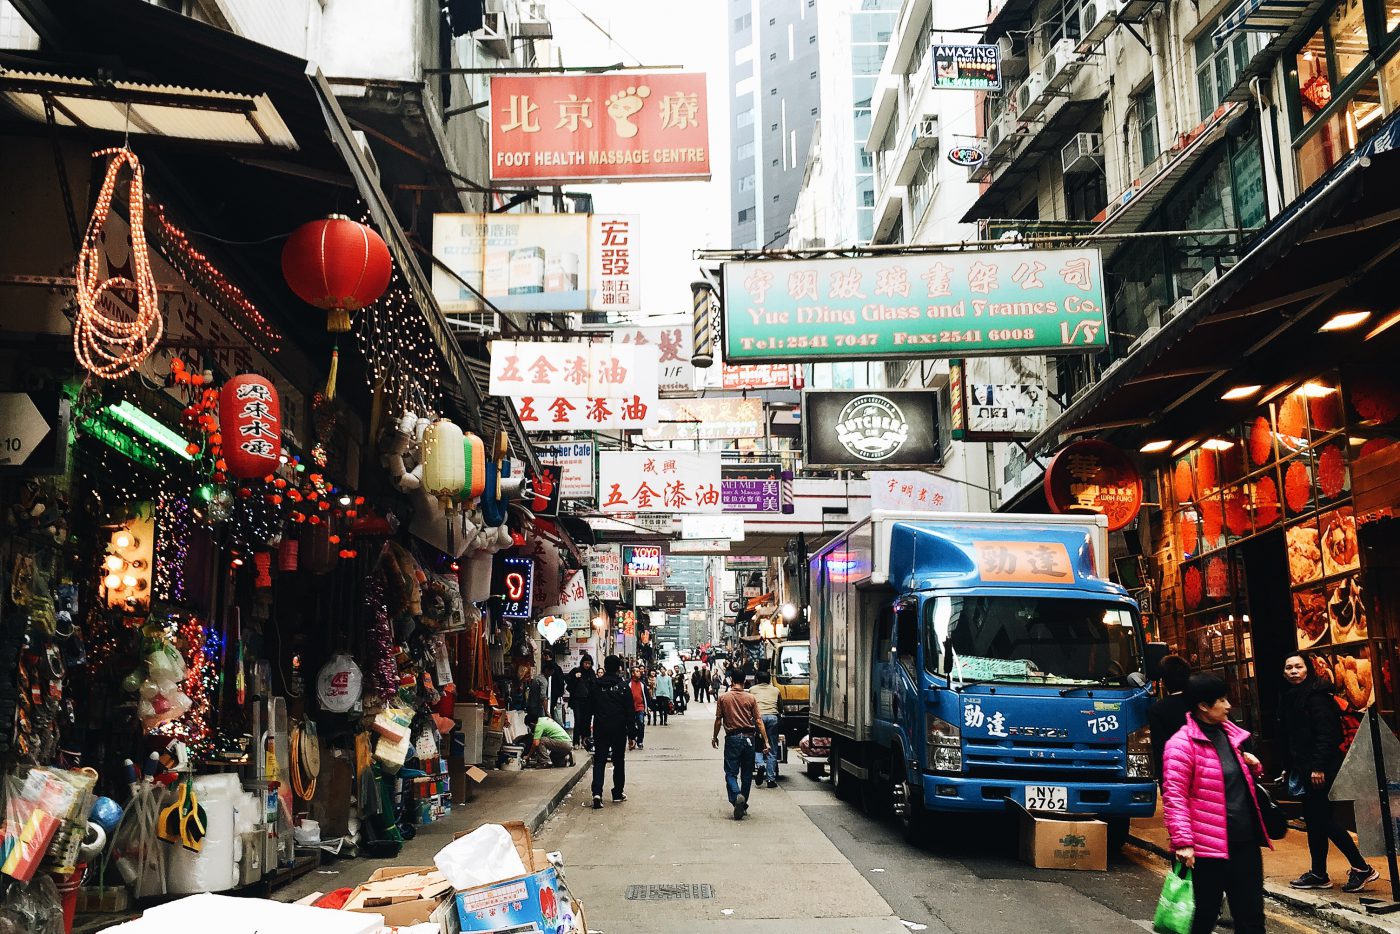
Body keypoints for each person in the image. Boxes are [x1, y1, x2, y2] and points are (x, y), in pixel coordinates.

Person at [1162, 674, 1270, 934]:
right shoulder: (1181, 745)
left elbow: (1233, 782)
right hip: (1206, 849)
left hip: (1245, 842)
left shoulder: (1233, 736)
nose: (1228, 705)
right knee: (1203, 916)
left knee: (1251, 916)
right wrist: (1184, 842)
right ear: (1203, 706)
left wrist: (1253, 767)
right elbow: (1174, 795)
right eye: (1221, 700)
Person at [1278, 654, 1378, 892]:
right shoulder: (1292, 697)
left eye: (1298, 667)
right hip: (1304, 768)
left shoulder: (1316, 698)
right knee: (1314, 822)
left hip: (1320, 770)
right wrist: (1288, 767)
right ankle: (1319, 874)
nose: (1293, 671)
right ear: (1284, 673)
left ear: (1307, 670)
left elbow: (1327, 734)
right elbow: (1293, 738)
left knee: (1322, 820)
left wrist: (1318, 767)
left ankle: (1362, 868)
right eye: (1289, 667)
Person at [712, 669, 768, 819]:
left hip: (732, 738)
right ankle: (742, 803)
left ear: (731, 680)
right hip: (750, 739)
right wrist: (766, 742)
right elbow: (758, 721)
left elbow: (718, 720)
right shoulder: (751, 698)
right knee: (747, 774)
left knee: (731, 773)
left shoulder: (723, 698)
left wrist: (714, 737)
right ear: (744, 681)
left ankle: (737, 796)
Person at [590, 655, 630, 808]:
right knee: (618, 761)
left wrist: (586, 730)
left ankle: (597, 793)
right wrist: (632, 733)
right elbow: (629, 711)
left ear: (605, 667)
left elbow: (589, 708)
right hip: (619, 729)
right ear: (619, 668)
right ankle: (617, 793)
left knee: (599, 760)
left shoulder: (596, 685)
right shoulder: (623, 686)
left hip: (601, 727)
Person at [1149, 655, 1193, 782]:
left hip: (1177, 773)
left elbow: (1159, 750)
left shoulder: (1158, 710)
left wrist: (1164, 784)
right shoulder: (1200, 702)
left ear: (1164, 682)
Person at [749, 668, 781, 787]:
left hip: (758, 718)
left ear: (757, 680)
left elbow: (750, 706)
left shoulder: (752, 690)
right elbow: (780, 706)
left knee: (758, 745)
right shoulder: (776, 690)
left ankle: (760, 764)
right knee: (772, 749)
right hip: (772, 718)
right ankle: (770, 779)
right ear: (769, 680)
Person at [567, 654, 596, 751]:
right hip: (577, 700)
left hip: (589, 701)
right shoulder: (576, 671)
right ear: (582, 662)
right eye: (586, 663)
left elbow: (594, 686)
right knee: (578, 720)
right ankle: (576, 741)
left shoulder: (592, 673)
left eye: (589, 663)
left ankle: (585, 740)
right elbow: (567, 681)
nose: (587, 665)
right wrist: (575, 678)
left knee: (587, 721)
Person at [542, 658, 567, 725]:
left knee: (551, 711)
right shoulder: (558, 669)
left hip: (552, 695)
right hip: (555, 695)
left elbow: (543, 696)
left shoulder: (543, 680)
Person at [628, 667, 649, 750]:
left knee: (641, 724)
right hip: (631, 708)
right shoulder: (628, 684)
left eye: (639, 671)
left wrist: (648, 707)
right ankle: (632, 739)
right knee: (631, 725)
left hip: (640, 707)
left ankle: (640, 741)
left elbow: (646, 696)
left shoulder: (642, 684)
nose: (639, 673)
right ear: (633, 673)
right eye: (637, 671)